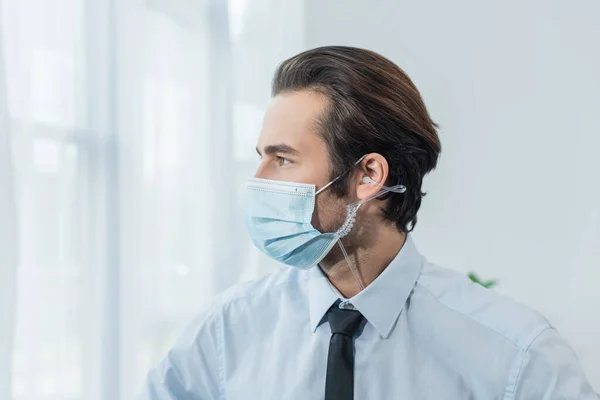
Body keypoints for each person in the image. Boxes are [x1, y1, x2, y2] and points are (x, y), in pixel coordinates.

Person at [141, 46, 597, 399]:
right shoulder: (225, 331)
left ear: (367, 176)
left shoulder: (516, 353)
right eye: (261, 157)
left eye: (282, 159)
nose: (257, 181)